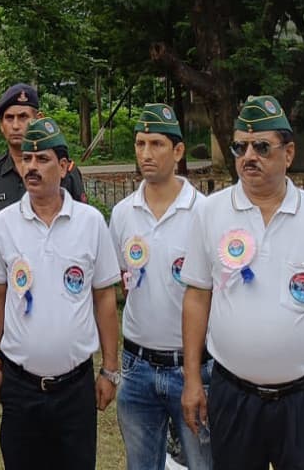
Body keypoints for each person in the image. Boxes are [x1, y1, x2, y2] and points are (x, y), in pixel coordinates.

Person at [180, 95, 304, 470]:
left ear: (288, 153)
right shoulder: (210, 212)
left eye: (262, 146)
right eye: (240, 146)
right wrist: (193, 379)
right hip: (233, 395)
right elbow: (197, 296)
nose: (249, 156)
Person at [0, 118, 120, 470]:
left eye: (42, 159)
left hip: (75, 388)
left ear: (65, 166)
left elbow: (104, 297)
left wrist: (110, 369)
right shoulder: (4, 224)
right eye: (27, 159)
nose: (32, 167)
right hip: (19, 384)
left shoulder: (90, 222)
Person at [108, 104, 211, 470]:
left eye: (156, 144)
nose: (146, 154)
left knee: (202, 463)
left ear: (178, 151)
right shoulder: (122, 213)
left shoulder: (205, 212)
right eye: (139, 144)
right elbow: (122, 281)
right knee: (142, 465)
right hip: (137, 367)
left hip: (193, 367)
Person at [0, 83, 87, 257]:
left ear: (38, 118)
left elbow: (82, 228)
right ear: (1, 125)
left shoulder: (64, 171)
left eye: (23, 117)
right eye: (9, 118)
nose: (16, 126)